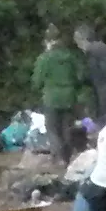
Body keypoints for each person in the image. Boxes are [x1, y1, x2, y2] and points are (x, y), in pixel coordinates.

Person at [32, 31, 91, 159]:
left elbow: (37, 82)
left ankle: (58, 158)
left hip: (51, 98)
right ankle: (67, 157)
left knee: (52, 129)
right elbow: (81, 77)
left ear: (48, 42)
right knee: (67, 128)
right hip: (69, 97)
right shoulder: (71, 57)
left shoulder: (44, 58)